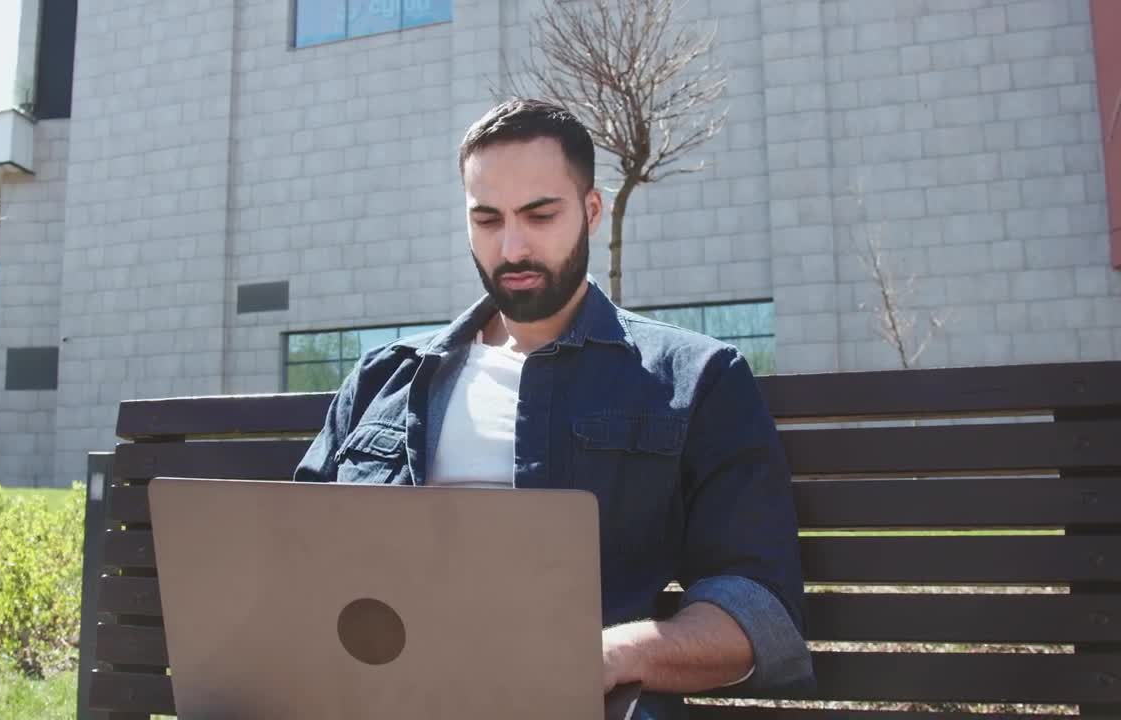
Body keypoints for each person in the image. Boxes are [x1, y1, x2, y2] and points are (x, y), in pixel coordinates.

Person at [294, 99, 813, 717]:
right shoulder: (385, 377)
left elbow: (758, 607)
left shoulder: (693, 378)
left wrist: (609, 656)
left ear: (592, 211)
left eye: (540, 215)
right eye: (487, 219)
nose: (512, 247)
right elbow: (295, 560)